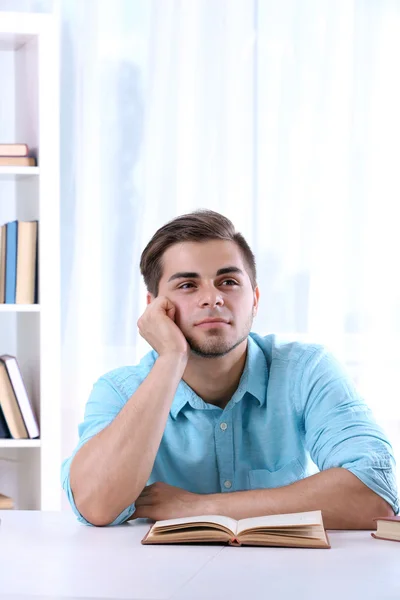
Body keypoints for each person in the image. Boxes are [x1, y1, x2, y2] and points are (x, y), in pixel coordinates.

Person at [61, 210, 399, 528]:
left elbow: (376, 493)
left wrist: (199, 508)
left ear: (255, 299)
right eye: (187, 285)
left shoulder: (307, 370)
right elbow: (95, 506)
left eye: (228, 282)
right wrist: (170, 359)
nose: (212, 298)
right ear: (153, 308)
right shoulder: (118, 390)